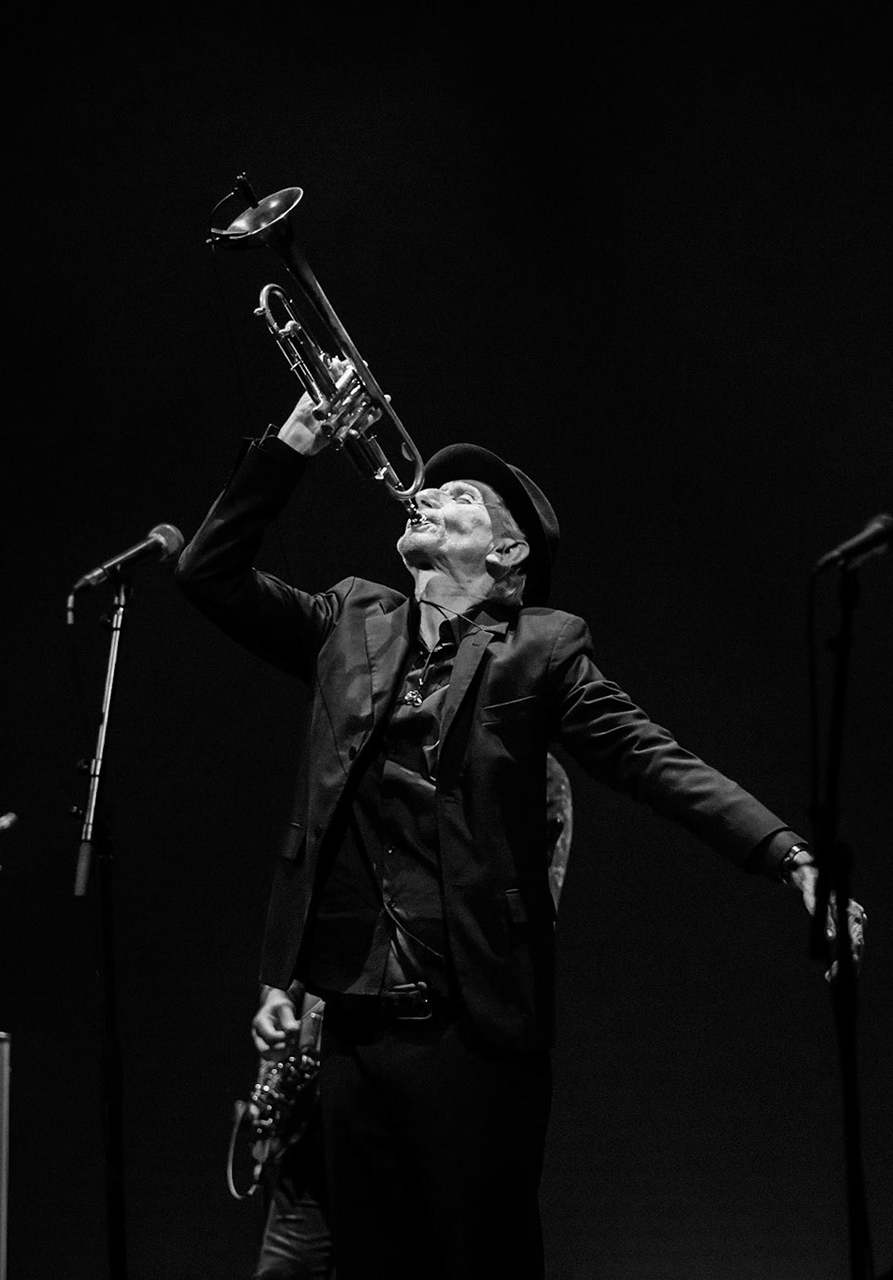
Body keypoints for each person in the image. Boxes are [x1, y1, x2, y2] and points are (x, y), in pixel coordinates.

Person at [178, 389, 855, 1279]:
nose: (426, 497)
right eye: (430, 491)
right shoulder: (349, 618)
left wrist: (788, 854)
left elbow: (654, 761)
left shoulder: (541, 648)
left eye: (459, 498)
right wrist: (291, 449)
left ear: (507, 552)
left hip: (471, 1030)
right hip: (350, 1023)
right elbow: (207, 576)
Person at [247, 754, 575, 1280]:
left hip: (430, 1071)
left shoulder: (523, 767)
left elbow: (509, 937)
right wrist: (278, 990)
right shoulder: (354, 751)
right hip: (329, 1083)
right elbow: (318, 889)